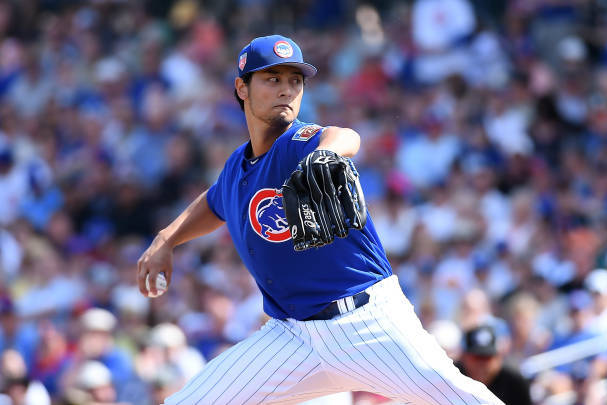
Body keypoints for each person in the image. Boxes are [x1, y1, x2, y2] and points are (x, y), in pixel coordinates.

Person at [137, 34, 504, 405]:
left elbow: (345, 136)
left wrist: (324, 154)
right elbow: (215, 201)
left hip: (367, 324)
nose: (287, 89)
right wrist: (166, 239)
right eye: (273, 79)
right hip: (292, 338)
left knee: (465, 400)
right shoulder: (237, 167)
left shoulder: (300, 142)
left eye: (295, 80)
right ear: (241, 88)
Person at [456, 325, 532, 405]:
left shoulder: (515, 383)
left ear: (499, 358)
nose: (482, 364)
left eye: (487, 358)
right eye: (477, 357)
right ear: (464, 357)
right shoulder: (450, 376)